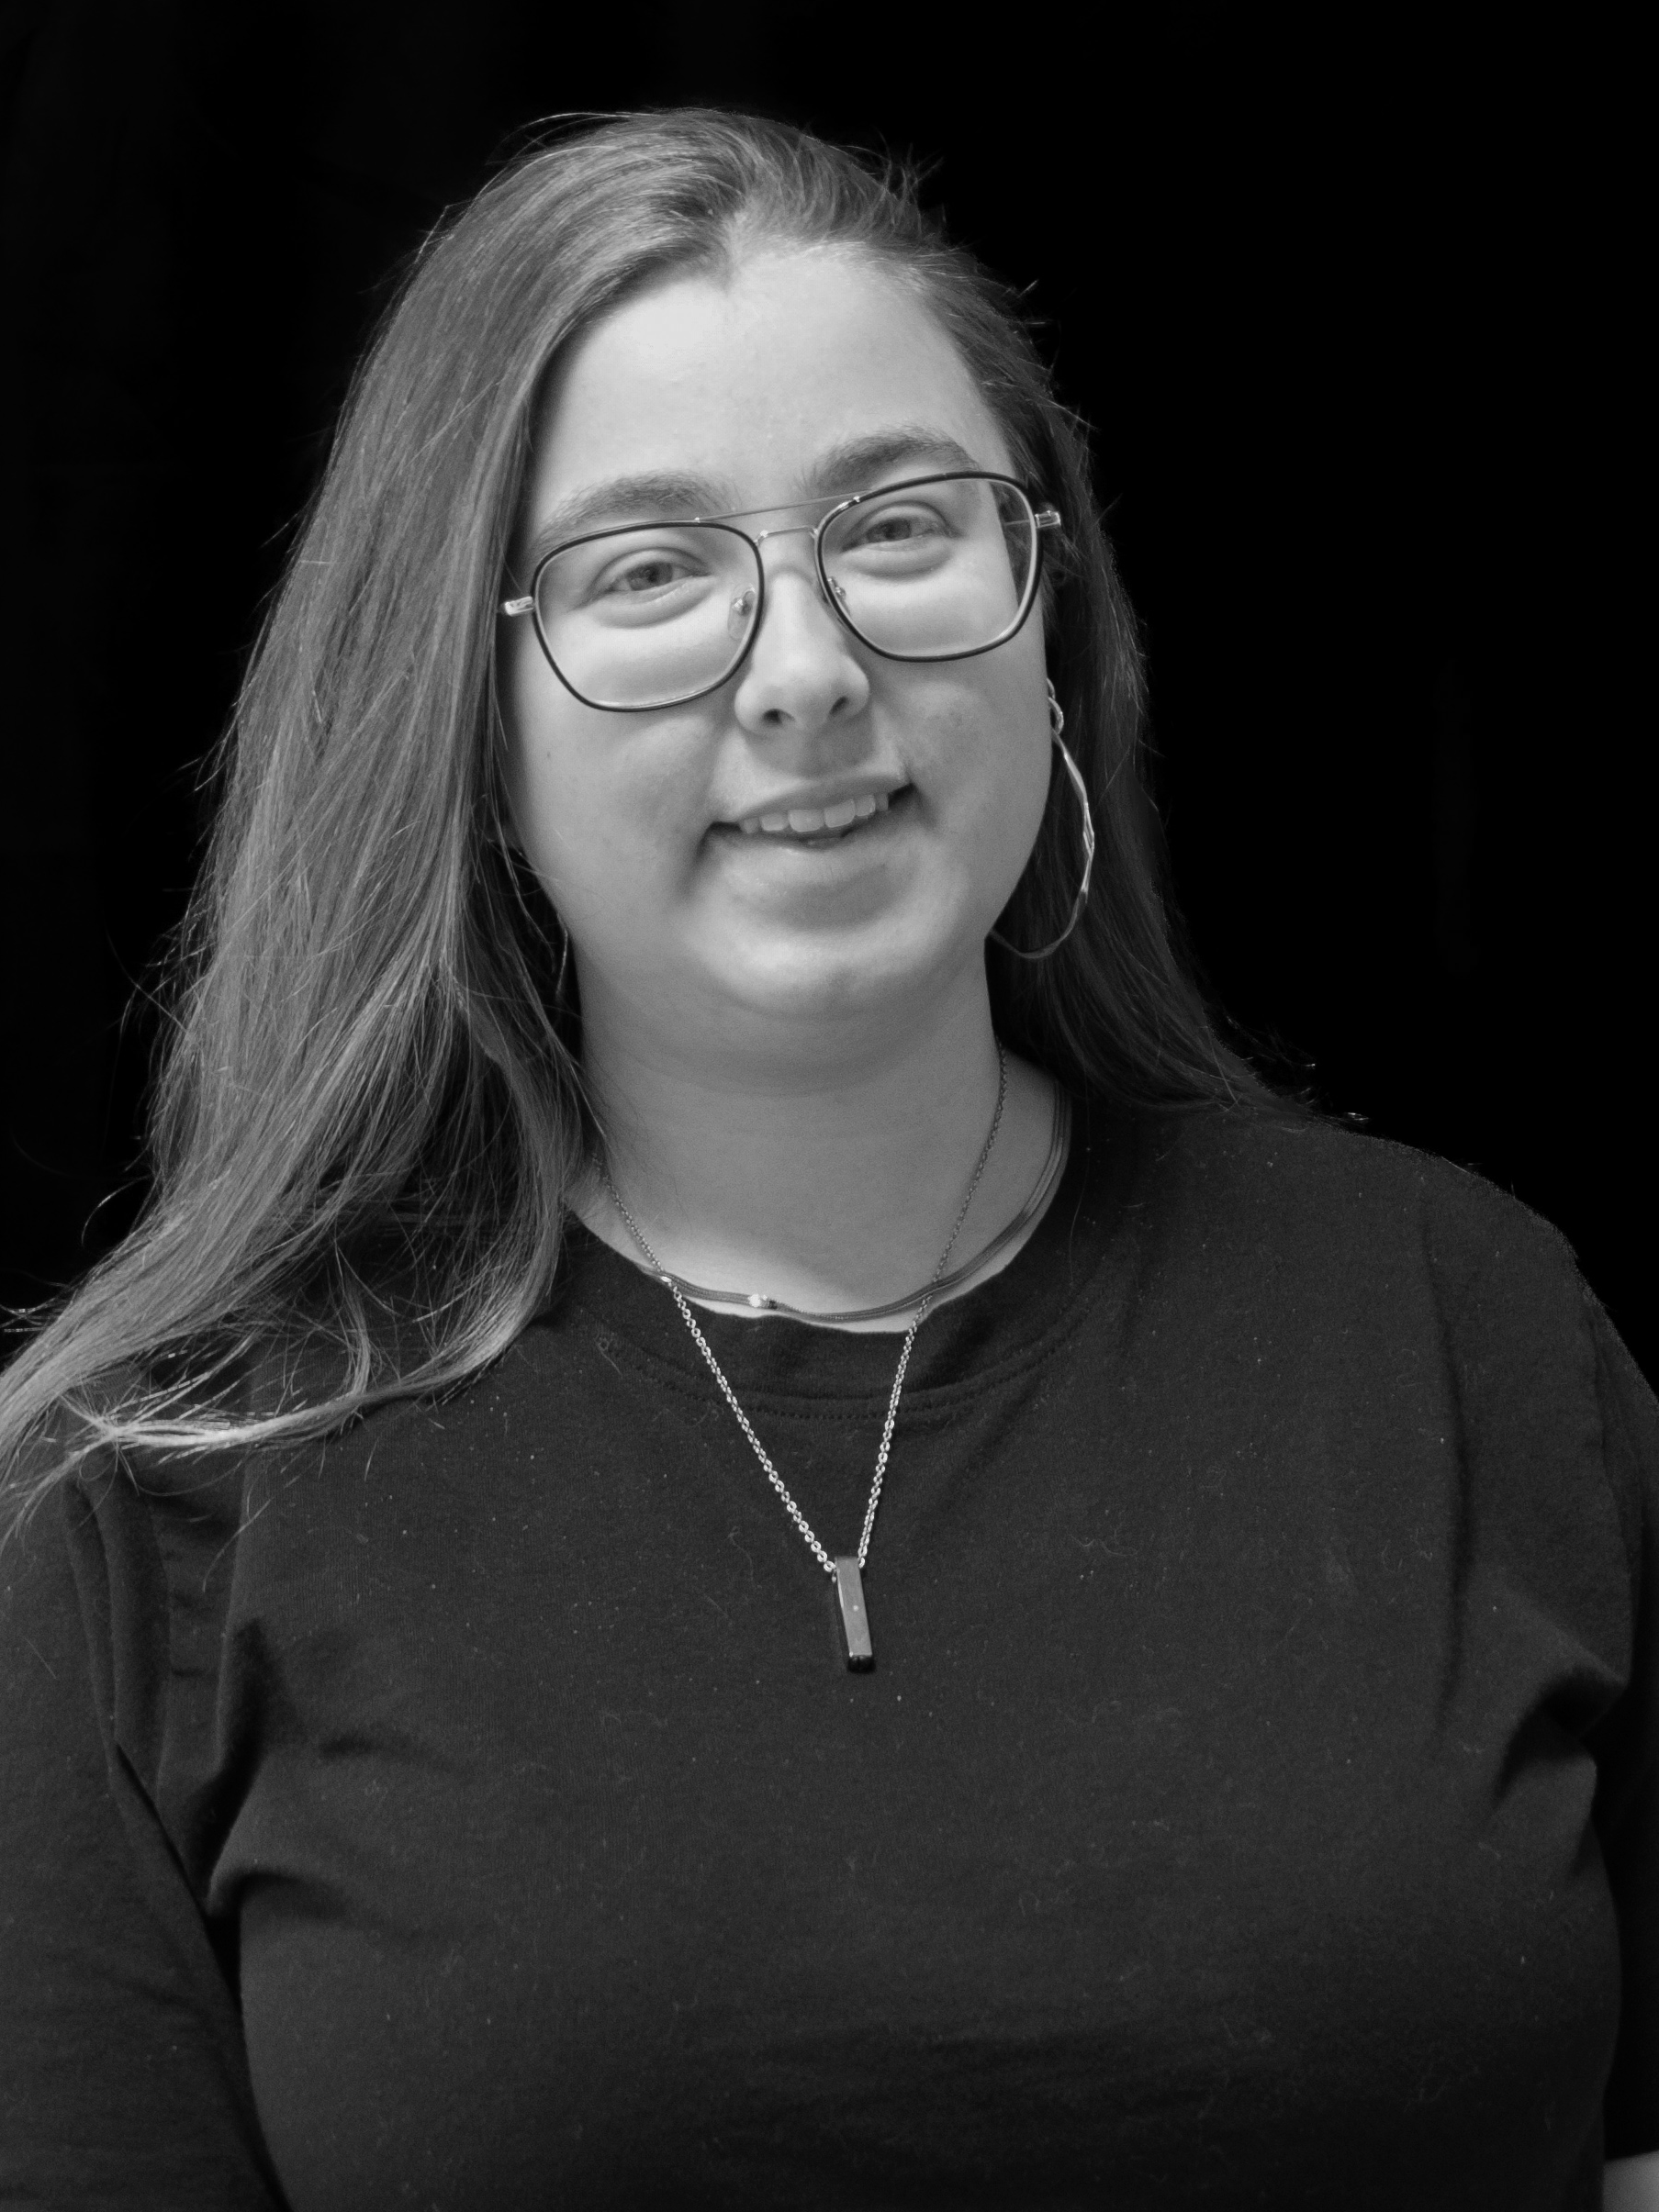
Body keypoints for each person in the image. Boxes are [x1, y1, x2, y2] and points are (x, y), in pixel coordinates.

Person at [0, 107, 1653, 2212]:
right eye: (648, 572)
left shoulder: (1468, 1333)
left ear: (1049, 612)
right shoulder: (151, 1515)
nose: (804, 672)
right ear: (468, 728)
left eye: (897, 527)